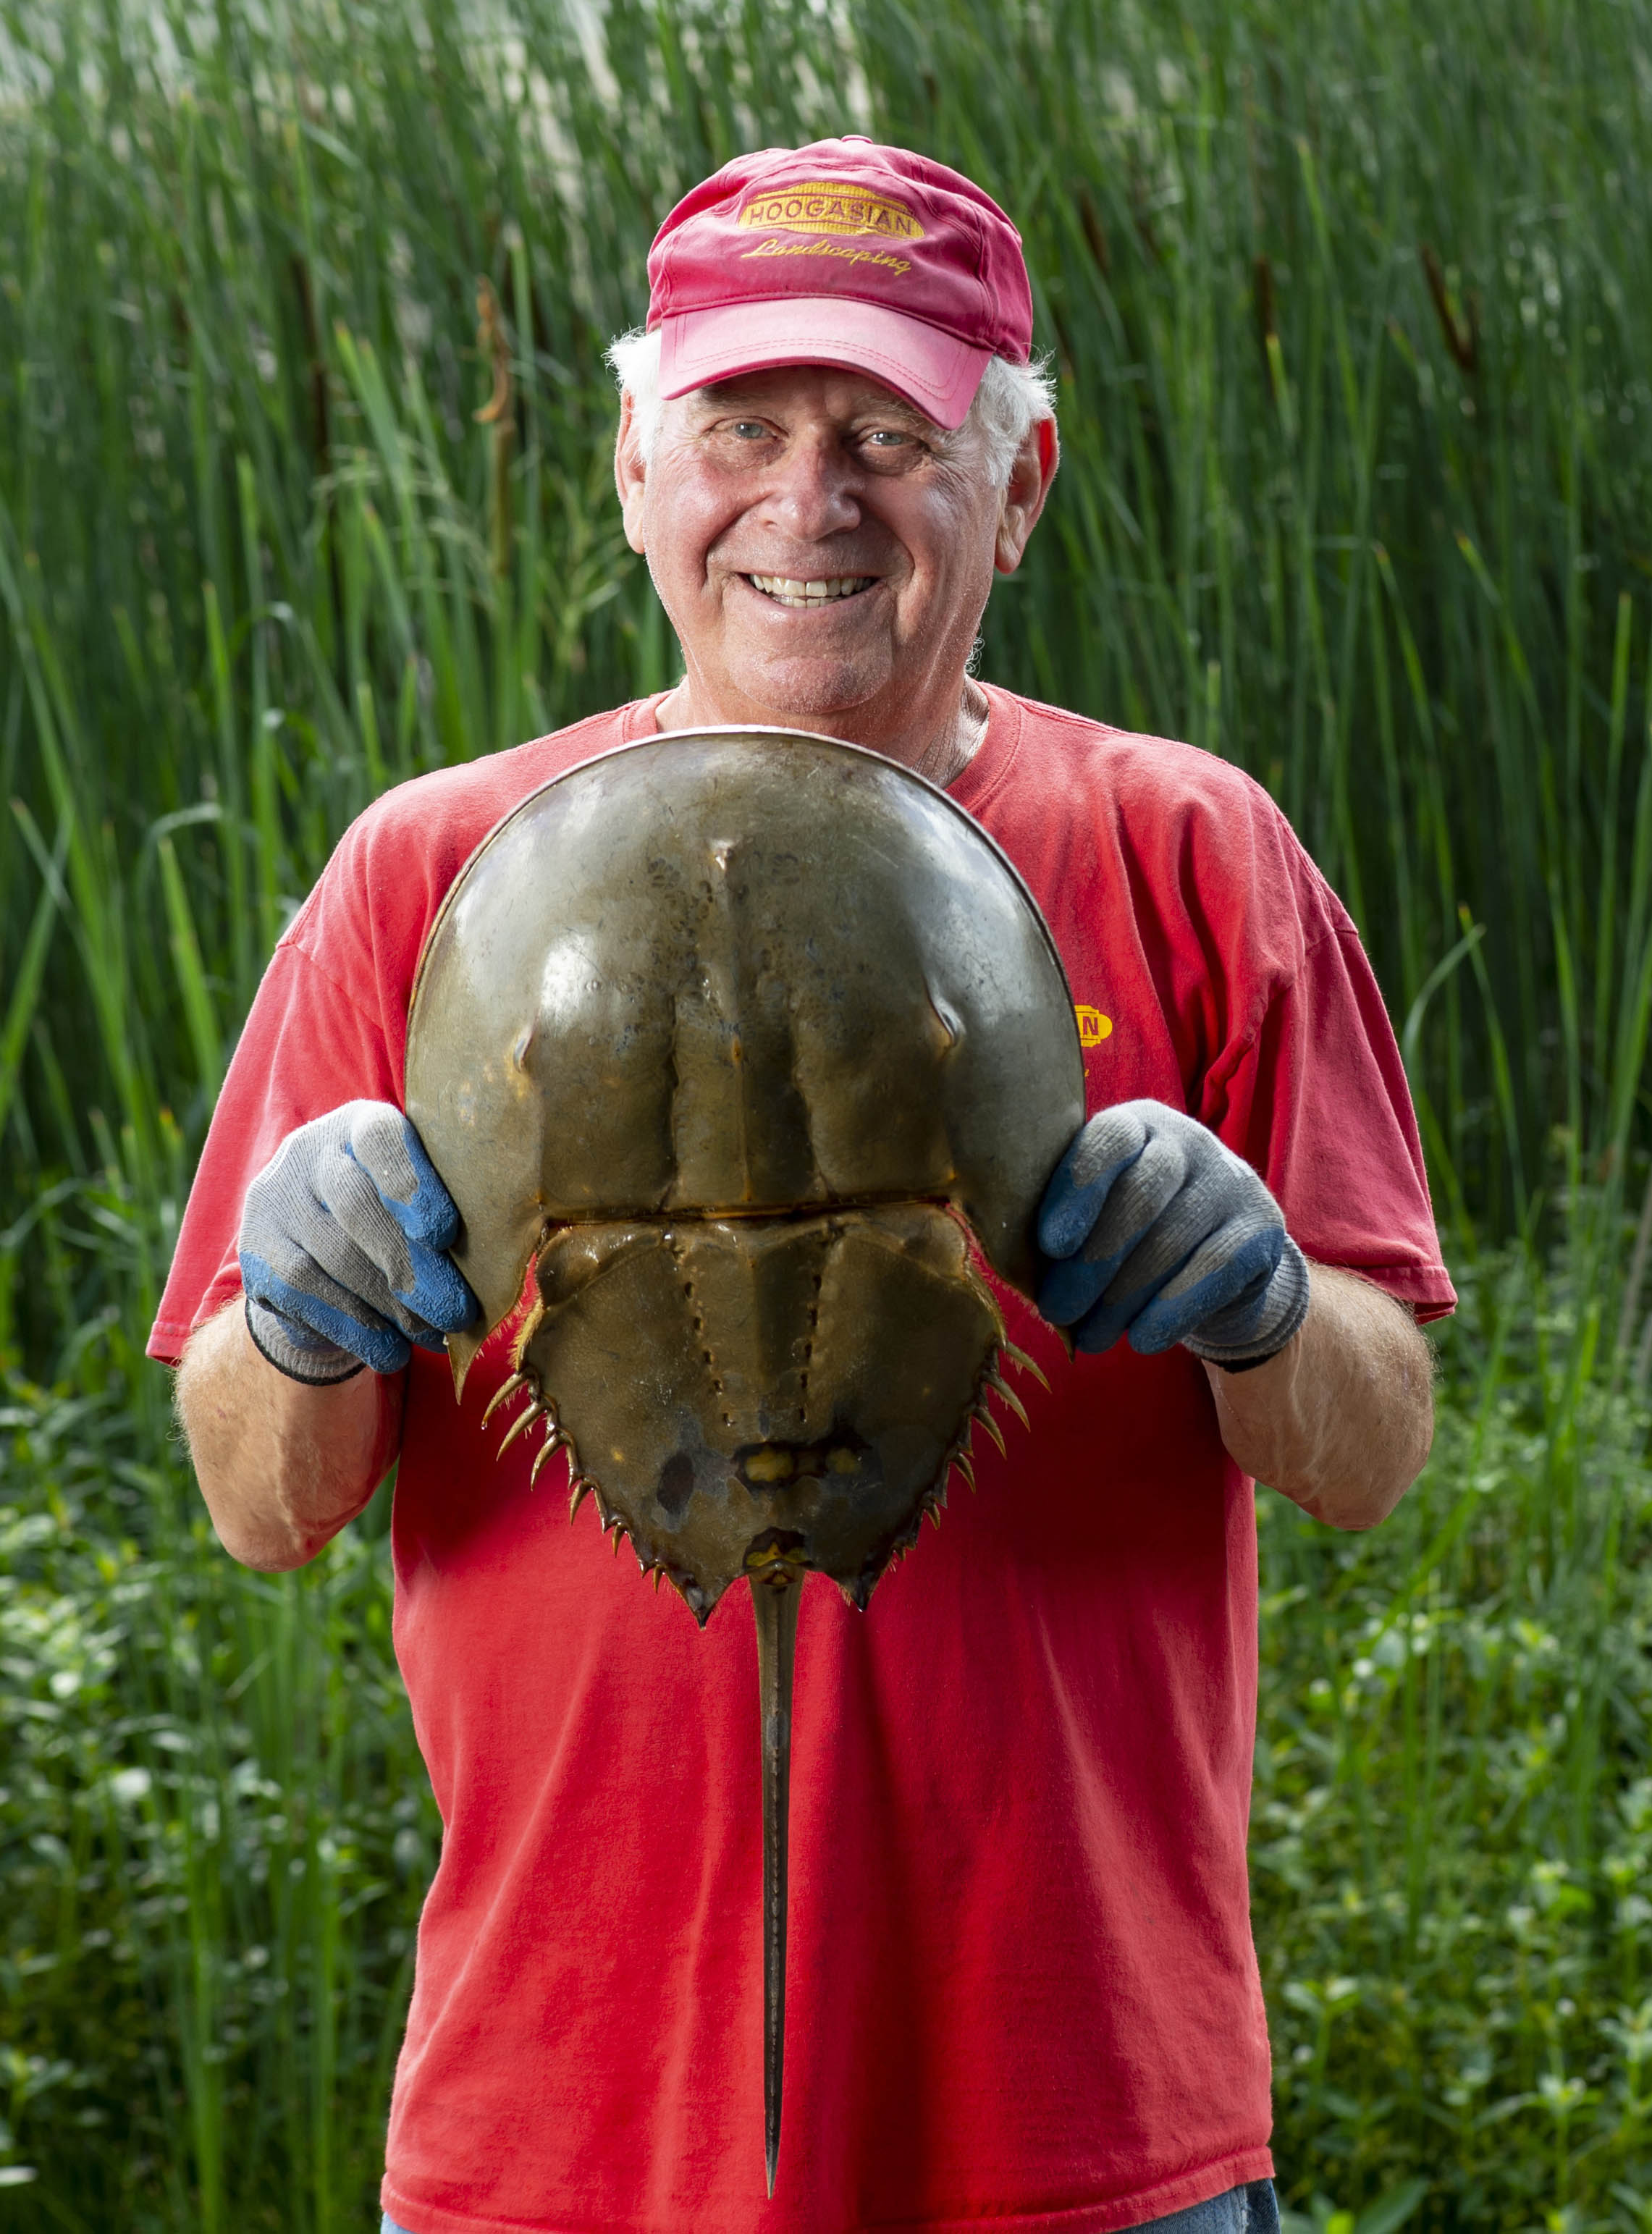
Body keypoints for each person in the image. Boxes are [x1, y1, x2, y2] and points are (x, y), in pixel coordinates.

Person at [153, 138, 1454, 2234]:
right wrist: (290, 1324)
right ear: (633, 469)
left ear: (1014, 486)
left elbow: (1373, 1450)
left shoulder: (1194, 853)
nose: (806, 501)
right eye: (737, 429)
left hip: (1078, 2119)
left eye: (884, 436)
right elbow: (254, 1497)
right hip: (555, 2127)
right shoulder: (428, 877)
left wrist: (1266, 1308)